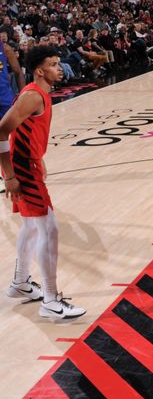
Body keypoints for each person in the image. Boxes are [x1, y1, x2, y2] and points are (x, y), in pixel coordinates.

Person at [1, 46, 86, 318]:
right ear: (39, 70)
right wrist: (10, 175)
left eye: (59, 63)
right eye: (53, 64)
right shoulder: (33, 96)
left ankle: (20, 283)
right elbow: (1, 131)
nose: (59, 68)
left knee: (31, 226)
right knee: (49, 228)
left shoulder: (41, 94)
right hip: (23, 169)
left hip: (29, 163)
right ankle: (50, 300)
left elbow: (27, 133)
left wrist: (39, 158)